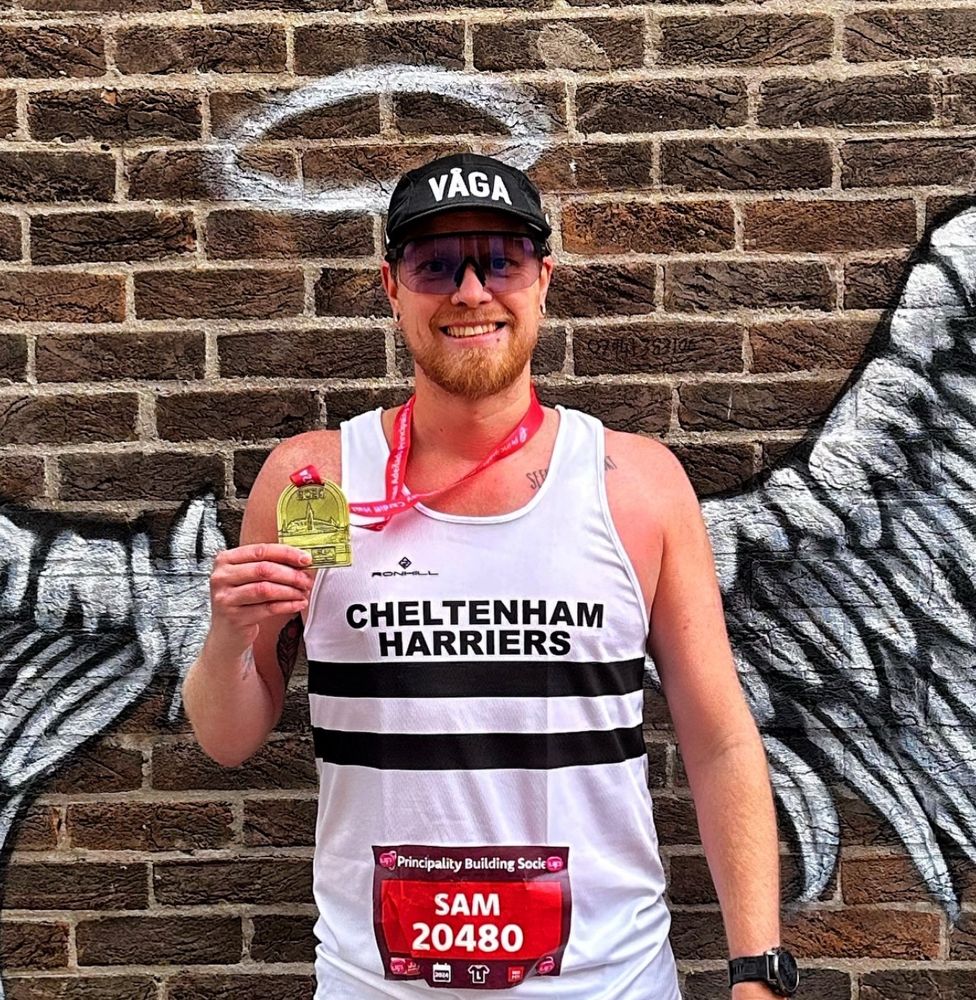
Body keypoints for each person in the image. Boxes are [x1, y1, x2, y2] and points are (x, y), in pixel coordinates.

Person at [183, 152, 796, 999]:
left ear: (543, 279)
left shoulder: (636, 485)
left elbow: (720, 736)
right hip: (377, 984)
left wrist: (757, 972)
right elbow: (229, 736)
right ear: (392, 286)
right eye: (436, 264)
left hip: (606, 982)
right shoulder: (313, 482)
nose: (471, 291)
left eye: (499, 260)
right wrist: (229, 635)